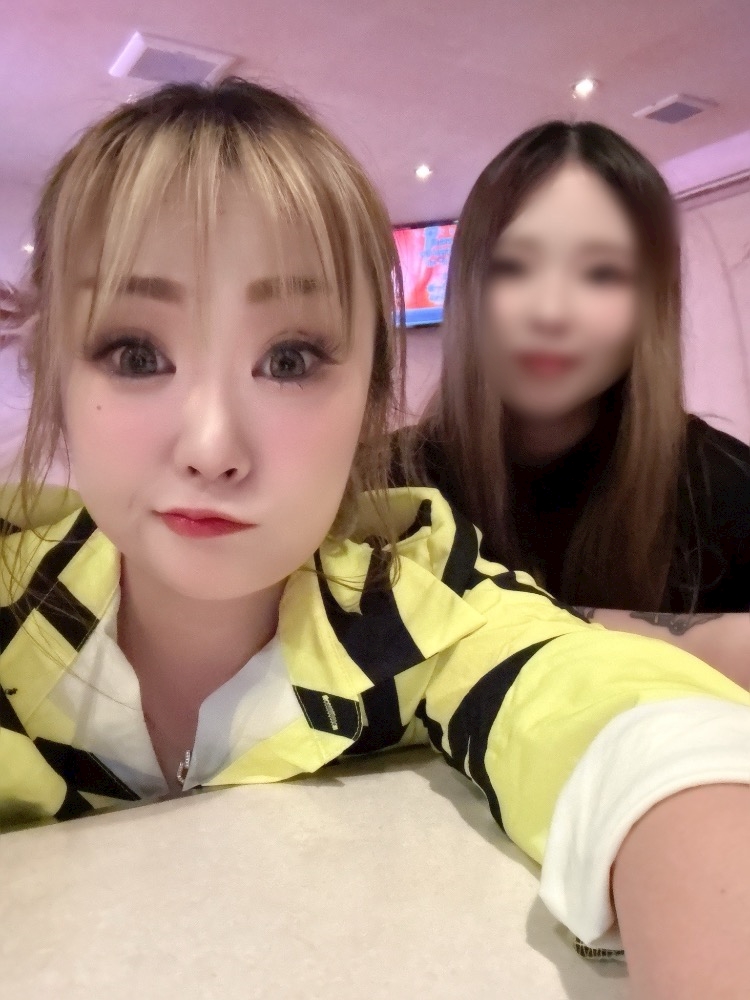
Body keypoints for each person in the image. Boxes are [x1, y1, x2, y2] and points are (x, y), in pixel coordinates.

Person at [0, 81, 749, 999]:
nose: (211, 447)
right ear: (53, 372)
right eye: (135, 353)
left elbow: (627, 726)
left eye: (288, 359)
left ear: (369, 394)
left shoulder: (416, 595)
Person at [399, 121, 750, 689]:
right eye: (513, 266)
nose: (552, 312)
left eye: (602, 273)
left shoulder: (721, 487)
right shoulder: (388, 486)